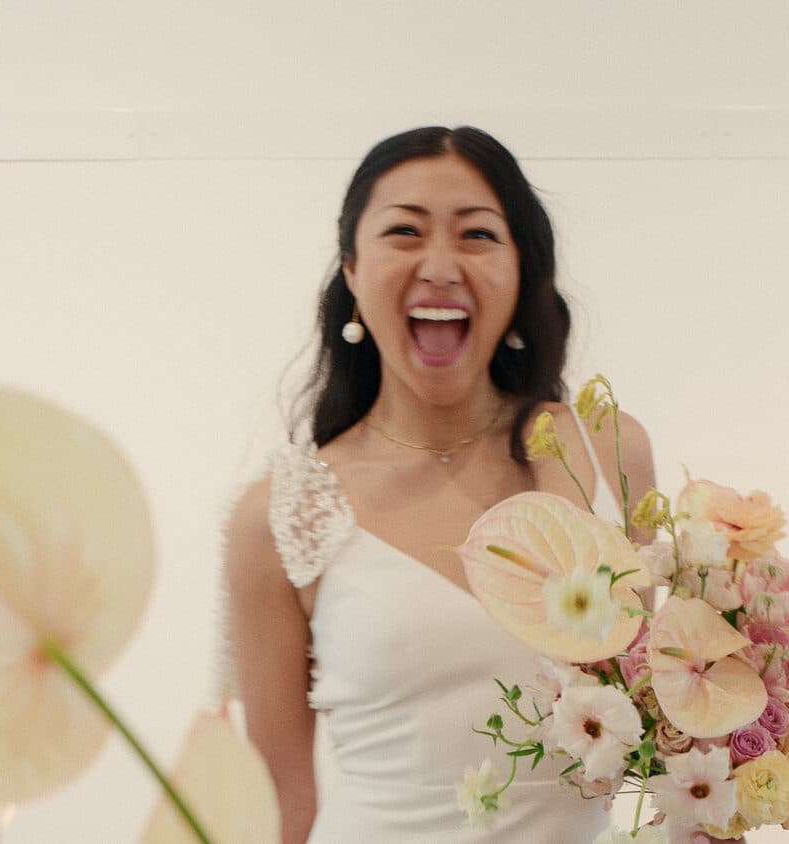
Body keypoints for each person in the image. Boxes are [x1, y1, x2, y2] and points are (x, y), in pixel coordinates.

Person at [224, 126, 658, 843]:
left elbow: (671, 722)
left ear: (522, 273)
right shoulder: (277, 513)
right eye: (404, 231)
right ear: (353, 272)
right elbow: (280, 797)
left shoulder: (606, 450)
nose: (439, 265)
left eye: (478, 235)